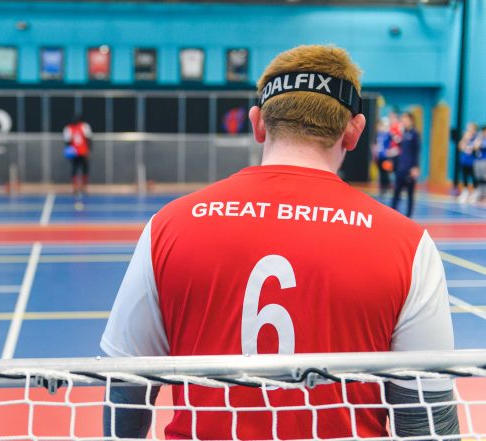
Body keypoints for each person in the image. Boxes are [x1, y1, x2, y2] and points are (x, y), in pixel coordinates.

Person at [101, 45, 457, 440]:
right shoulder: (408, 246)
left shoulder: (168, 226)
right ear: (354, 131)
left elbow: (126, 388)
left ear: (257, 123)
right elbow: (426, 418)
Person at [390, 112, 421, 217]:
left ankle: (409, 216)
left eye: (405, 120)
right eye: (402, 120)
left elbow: (416, 151)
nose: (403, 122)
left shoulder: (415, 134)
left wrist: (415, 167)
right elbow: (401, 147)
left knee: (410, 194)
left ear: (411, 120)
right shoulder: (403, 134)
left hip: (410, 168)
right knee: (396, 192)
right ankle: (392, 213)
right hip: (401, 168)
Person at [63, 114, 92, 196]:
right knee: (76, 170)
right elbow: (68, 142)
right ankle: (77, 188)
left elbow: (88, 139)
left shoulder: (82, 127)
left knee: (83, 170)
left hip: (81, 152)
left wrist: (88, 150)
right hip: (76, 153)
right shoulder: (71, 128)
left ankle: (82, 188)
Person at [457, 122, 479, 204]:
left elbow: (476, 148)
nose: (469, 130)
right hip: (464, 160)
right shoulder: (466, 137)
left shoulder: (477, 137)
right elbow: (460, 147)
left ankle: (474, 193)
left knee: (474, 177)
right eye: (468, 128)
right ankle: (465, 192)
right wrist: (464, 138)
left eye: (470, 128)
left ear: (474, 129)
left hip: (473, 161)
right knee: (464, 177)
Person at [373, 118, 392, 196]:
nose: (379, 128)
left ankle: (387, 188)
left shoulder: (387, 135)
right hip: (379, 157)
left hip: (385, 157)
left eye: (380, 126)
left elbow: (393, 141)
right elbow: (375, 145)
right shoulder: (378, 135)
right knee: (381, 173)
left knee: (385, 173)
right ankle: (382, 189)